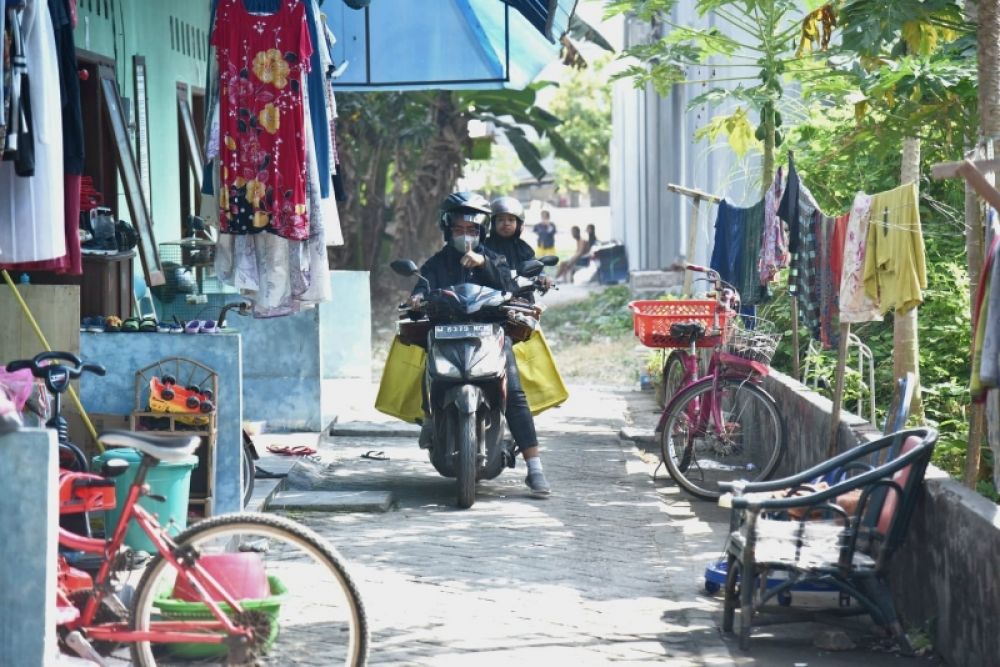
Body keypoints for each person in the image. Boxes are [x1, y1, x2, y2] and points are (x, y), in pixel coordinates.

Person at [408, 191, 552, 497]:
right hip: (446, 332)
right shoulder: (436, 262)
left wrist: (483, 262)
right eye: (459, 230)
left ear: (481, 232)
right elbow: (422, 285)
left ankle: (535, 467)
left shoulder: (495, 258)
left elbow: (509, 286)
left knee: (513, 392)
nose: (465, 236)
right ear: (448, 231)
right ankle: (431, 419)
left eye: (471, 230)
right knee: (428, 372)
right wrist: (417, 297)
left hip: (491, 334)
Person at [484, 195, 552, 301]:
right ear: (492, 223)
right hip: (490, 299)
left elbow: (534, 265)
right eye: (501, 219)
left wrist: (542, 276)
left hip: (521, 298)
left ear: (519, 223)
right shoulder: (485, 246)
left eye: (511, 220)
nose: (506, 223)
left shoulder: (523, 248)